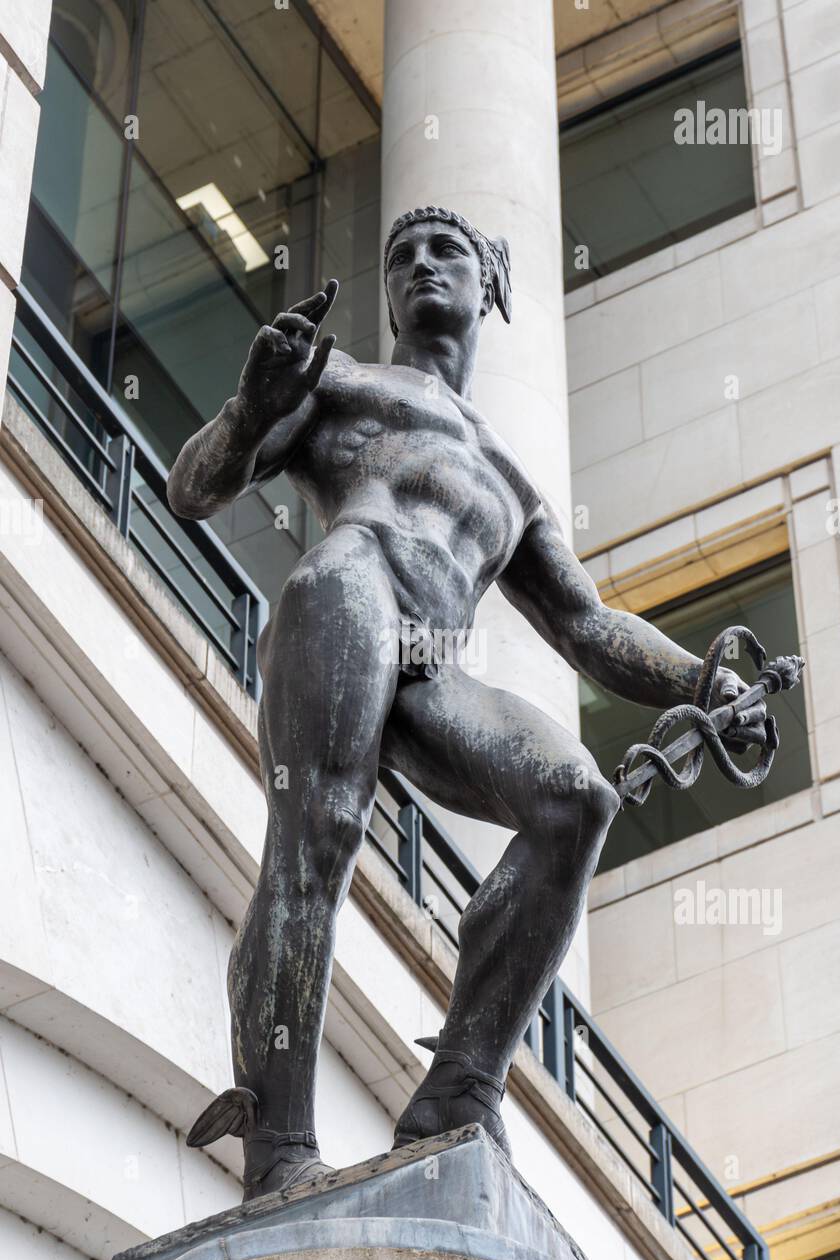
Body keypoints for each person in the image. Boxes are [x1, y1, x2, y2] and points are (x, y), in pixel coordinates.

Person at [169, 207, 766, 1200]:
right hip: (346, 590)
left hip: (427, 662)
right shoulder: (338, 378)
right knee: (315, 838)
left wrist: (704, 681)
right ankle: (277, 1147)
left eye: (443, 250)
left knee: (574, 798)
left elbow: (588, 628)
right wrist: (244, 411)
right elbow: (194, 489)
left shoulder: (511, 481)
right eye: (399, 254)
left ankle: (454, 1094)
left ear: (489, 282)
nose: (417, 265)